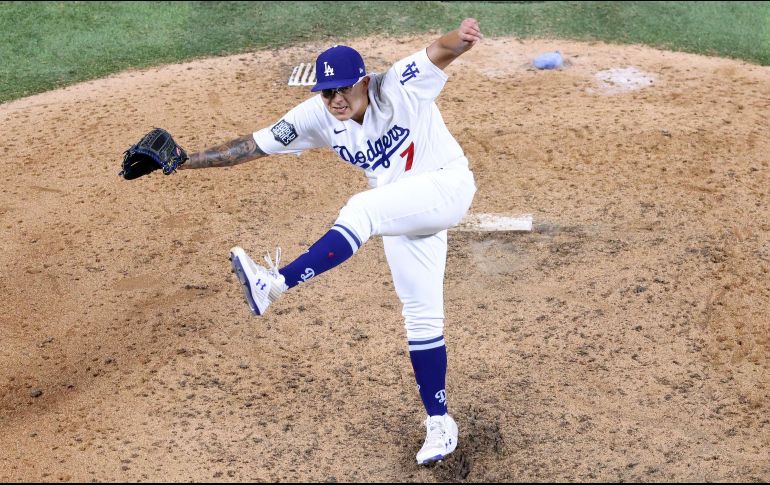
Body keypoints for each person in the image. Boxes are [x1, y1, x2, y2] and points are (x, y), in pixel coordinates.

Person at [179, 18, 482, 465]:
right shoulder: (317, 115)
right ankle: (440, 423)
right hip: (404, 212)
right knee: (421, 318)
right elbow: (252, 146)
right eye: (327, 92)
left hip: (445, 186)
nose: (336, 99)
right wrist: (182, 161)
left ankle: (275, 283)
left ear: (364, 81)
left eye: (344, 89)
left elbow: (440, 50)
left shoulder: (397, 84)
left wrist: (463, 37)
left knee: (362, 209)